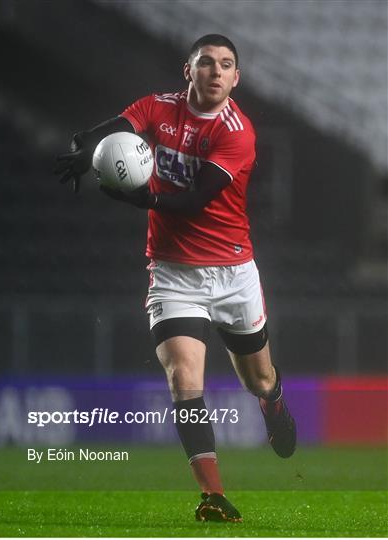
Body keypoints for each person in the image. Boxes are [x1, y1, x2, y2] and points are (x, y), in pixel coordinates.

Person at [55, 34, 296, 523]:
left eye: (225, 65)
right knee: (184, 378)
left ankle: (272, 403)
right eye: (206, 63)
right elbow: (106, 131)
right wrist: (86, 148)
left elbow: (190, 203)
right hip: (172, 274)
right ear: (189, 71)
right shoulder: (156, 108)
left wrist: (135, 198)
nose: (215, 72)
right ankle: (213, 495)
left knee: (260, 378)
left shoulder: (237, 132)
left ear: (236, 78)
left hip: (232, 274)